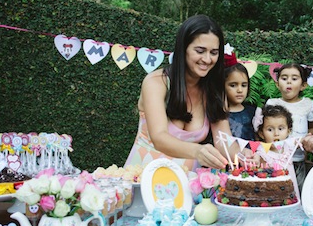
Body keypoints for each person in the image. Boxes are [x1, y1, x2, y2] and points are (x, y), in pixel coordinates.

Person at [124, 14, 236, 171]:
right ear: (183, 49)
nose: (207, 59)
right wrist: (197, 151)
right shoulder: (156, 82)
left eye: (214, 52)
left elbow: (224, 142)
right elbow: (159, 138)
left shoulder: (215, 90)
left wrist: (249, 154)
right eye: (200, 51)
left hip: (187, 181)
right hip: (142, 176)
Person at [266, 63, 313, 190]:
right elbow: (264, 129)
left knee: (298, 191)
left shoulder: (308, 104)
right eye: (284, 78)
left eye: (294, 78)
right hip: (275, 160)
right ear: (277, 84)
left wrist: (306, 148)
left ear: (303, 85)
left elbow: (311, 127)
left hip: (298, 160)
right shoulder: (272, 103)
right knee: (276, 191)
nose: (289, 81)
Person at [254, 105, 300, 198]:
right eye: (270, 129)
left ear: (288, 131)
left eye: (280, 128)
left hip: (290, 191)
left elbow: (303, 141)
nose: (276, 133)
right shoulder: (261, 152)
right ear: (261, 133)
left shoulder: (289, 146)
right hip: (271, 195)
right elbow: (255, 161)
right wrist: (255, 160)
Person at [224, 59, 256, 141]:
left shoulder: (253, 112)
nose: (240, 90)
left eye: (244, 85)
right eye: (233, 85)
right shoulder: (219, 113)